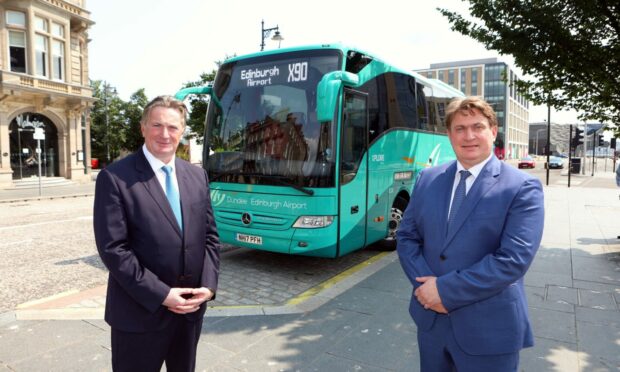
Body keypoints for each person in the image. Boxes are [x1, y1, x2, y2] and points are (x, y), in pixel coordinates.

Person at [396, 96, 544, 371]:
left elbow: (513, 260)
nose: (469, 136)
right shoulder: (428, 179)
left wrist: (444, 290)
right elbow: (407, 237)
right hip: (431, 326)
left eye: (477, 127)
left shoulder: (522, 187)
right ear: (449, 134)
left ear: (493, 131)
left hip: (489, 329)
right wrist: (425, 290)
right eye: (460, 128)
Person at [94, 95, 220, 372]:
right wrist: (162, 294)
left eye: (173, 127)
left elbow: (210, 236)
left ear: (182, 132)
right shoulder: (115, 178)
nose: (165, 134)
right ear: (143, 128)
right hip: (139, 315)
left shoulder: (197, 176)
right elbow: (114, 249)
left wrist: (208, 287)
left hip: (189, 314)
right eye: (157, 125)